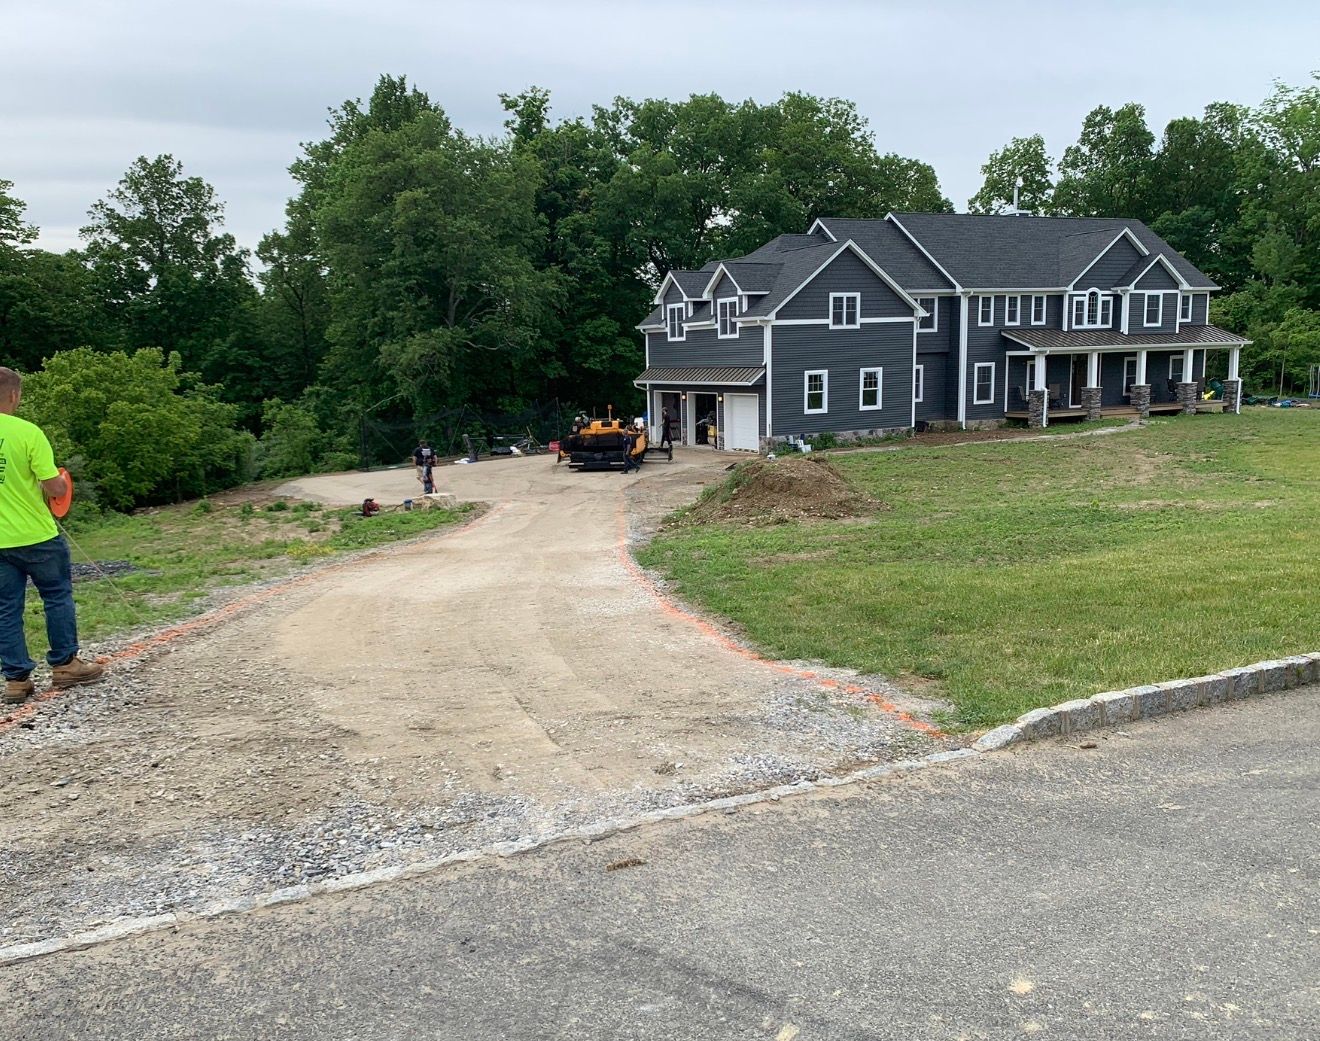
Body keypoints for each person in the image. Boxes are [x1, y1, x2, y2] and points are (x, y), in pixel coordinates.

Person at [0, 367, 104, 705]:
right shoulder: (28, 433)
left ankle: (16, 681)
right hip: (37, 535)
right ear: (14, 395)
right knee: (57, 596)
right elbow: (53, 486)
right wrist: (62, 481)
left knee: (5, 608)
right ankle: (65, 664)